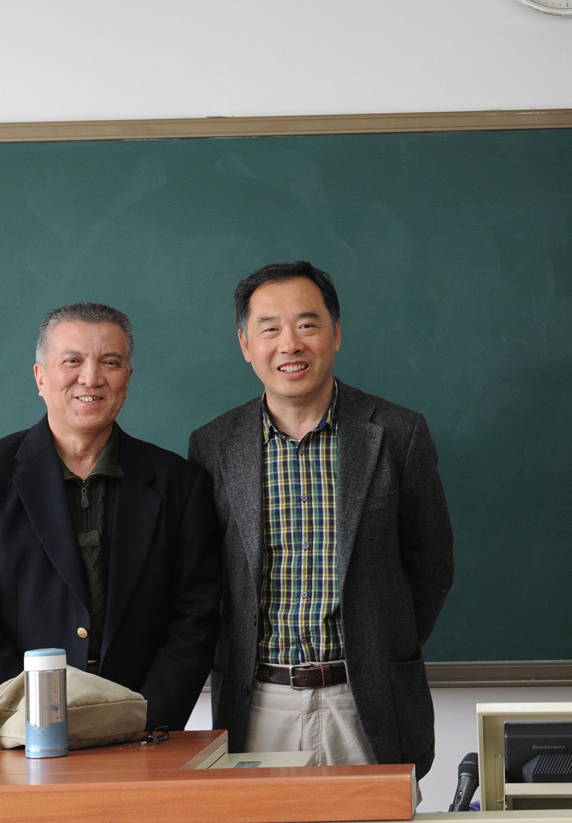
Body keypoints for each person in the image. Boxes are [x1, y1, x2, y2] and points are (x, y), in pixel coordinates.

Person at [188, 261, 453, 780]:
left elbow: (431, 566)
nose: (290, 344)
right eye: (270, 329)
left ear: (335, 334)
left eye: (307, 325)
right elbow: (202, 579)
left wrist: (382, 645)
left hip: (366, 701)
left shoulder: (398, 433)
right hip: (257, 704)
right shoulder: (213, 445)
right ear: (245, 344)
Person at [0, 301, 221, 765]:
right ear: (40, 377)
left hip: (142, 739)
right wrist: (23, 721)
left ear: (127, 378)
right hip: (15, 744)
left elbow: (195, 616)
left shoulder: (177, 483)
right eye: (72, 361)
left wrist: (144, 721)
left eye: (110, 362)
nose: (91, 378)